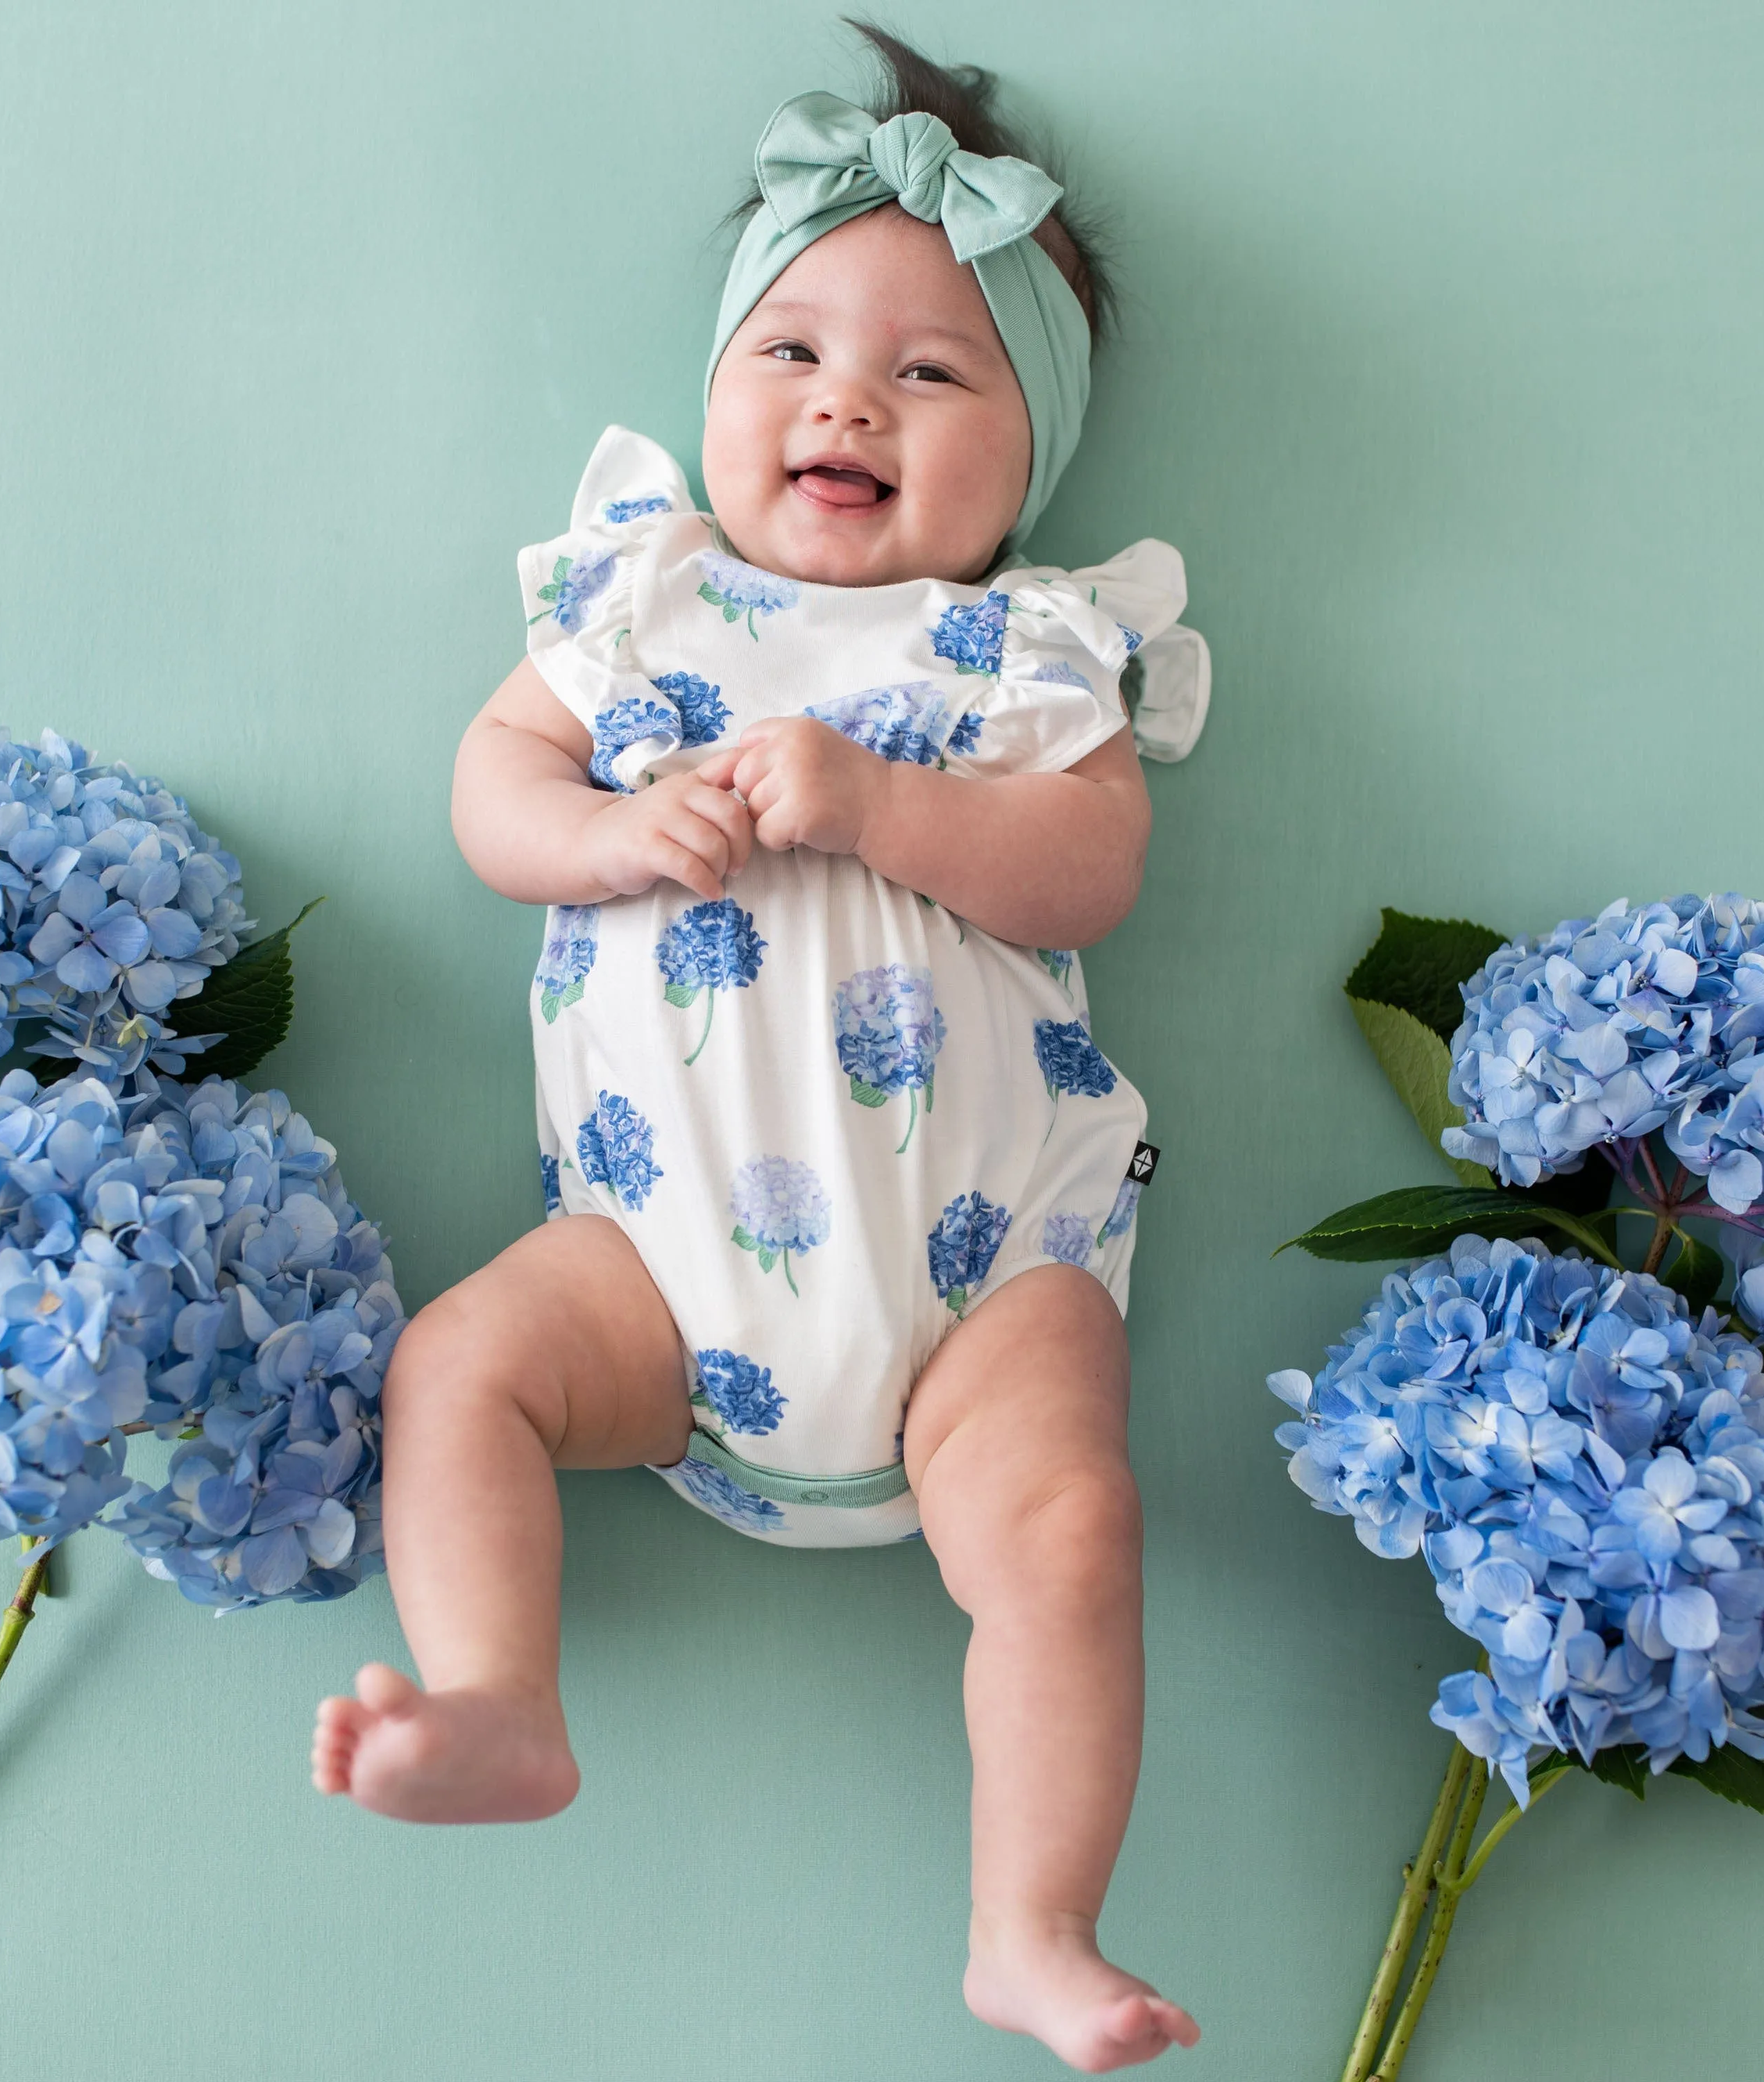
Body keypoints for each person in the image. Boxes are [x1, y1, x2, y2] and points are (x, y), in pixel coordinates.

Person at [314, 24, 1210, 2072]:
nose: (847, 402)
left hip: (986, 1277)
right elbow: (489, 788)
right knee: (460, 1365)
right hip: (656, 1267)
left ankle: (1033, 1921)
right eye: (794, 352)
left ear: (1030, 458)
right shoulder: (643, 607)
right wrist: (612, 832)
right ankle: (497, 1697)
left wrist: (886, 805)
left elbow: (1089, 873)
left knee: (1073, 1527)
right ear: (721, 393)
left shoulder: (1027, 651)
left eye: (930, 372)